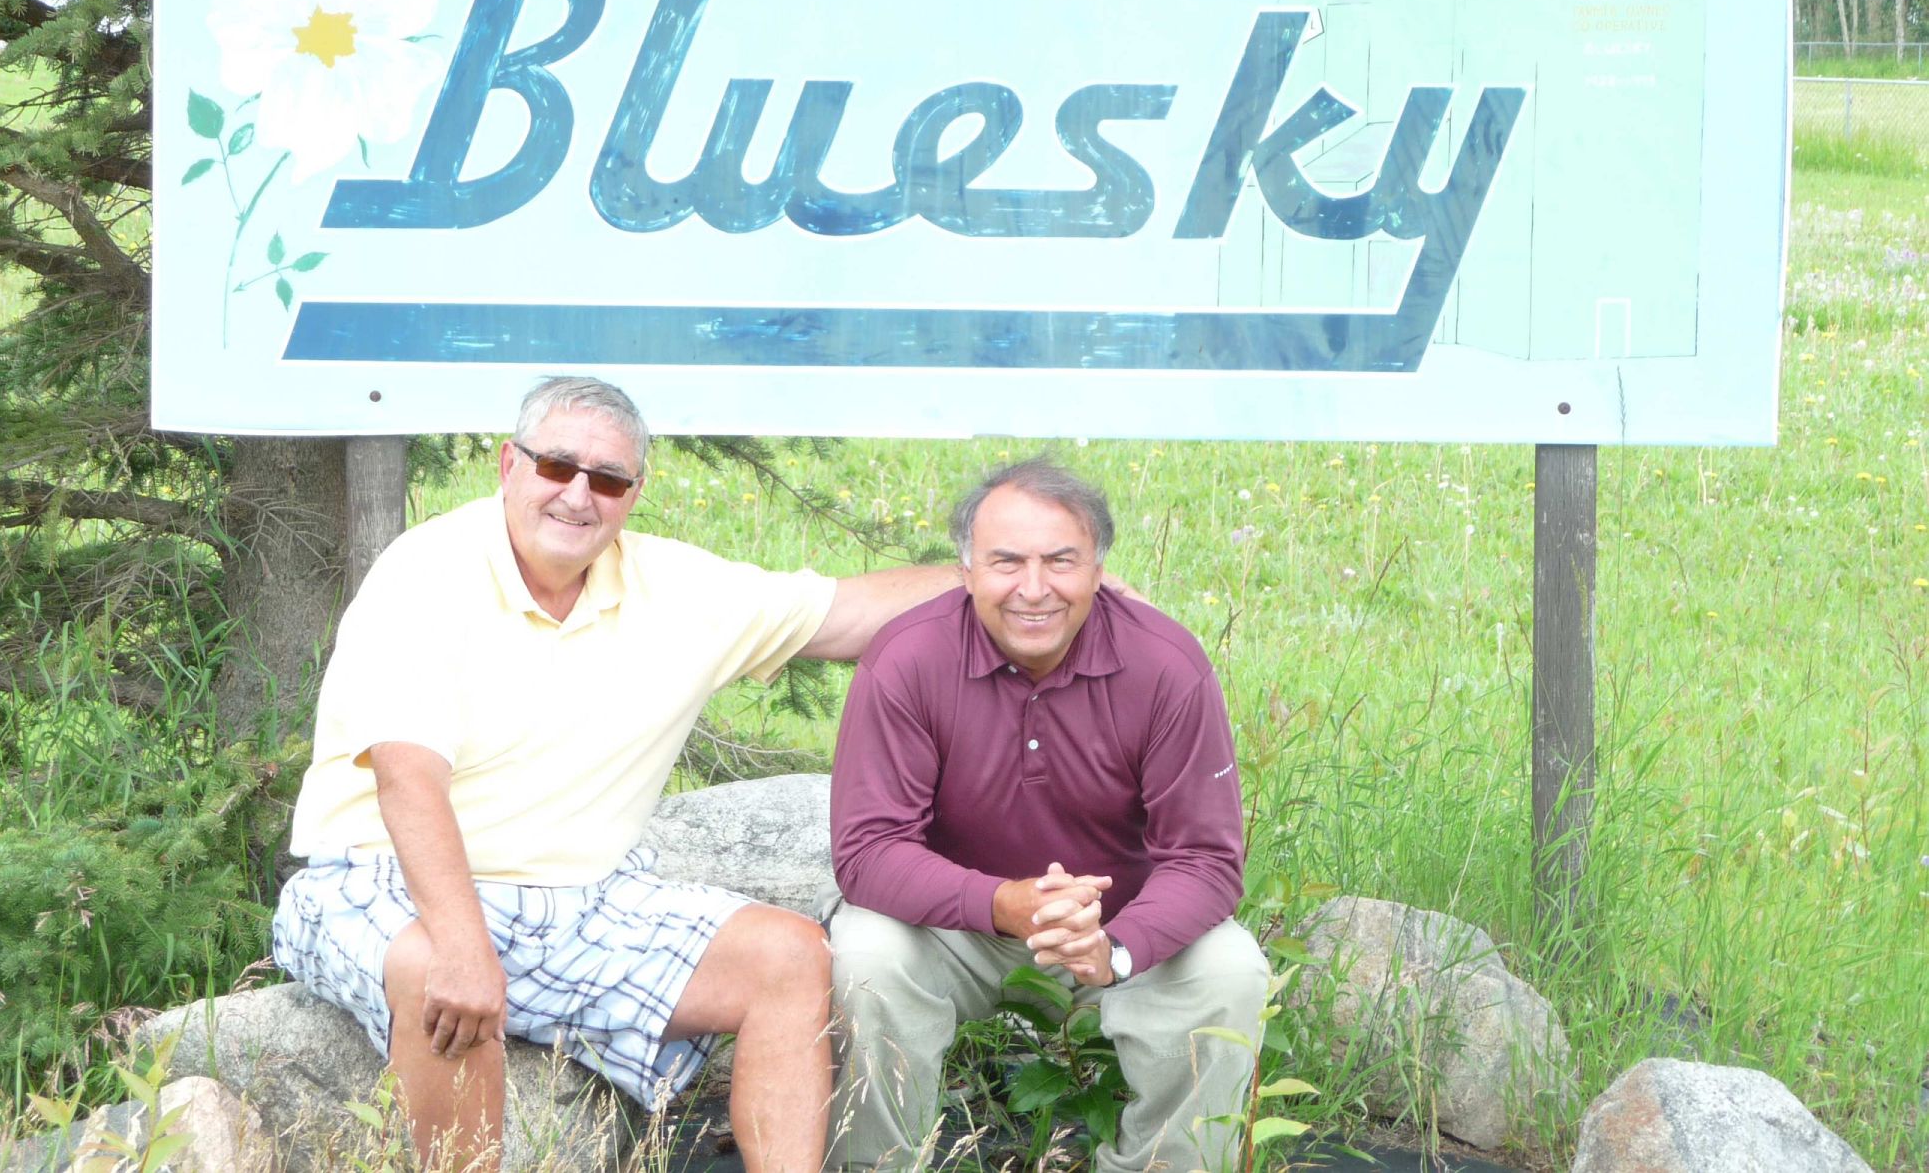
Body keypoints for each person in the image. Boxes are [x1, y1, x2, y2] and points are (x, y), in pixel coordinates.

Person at [273, 375, 958, 1173]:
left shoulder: (676, 588)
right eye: (556, 466)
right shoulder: (426, 573)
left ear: (635, 493)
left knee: (790, 955)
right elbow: (407, 782)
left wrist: (1024, 585)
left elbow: (852, 612)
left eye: (606, 479)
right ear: (508, 464)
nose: (577, 495)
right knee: (436, 973)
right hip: (383, 878)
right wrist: (464, 950)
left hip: (583, 900)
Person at [826, 458, 1270, 1173]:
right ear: (966, 571)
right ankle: (876, 1166)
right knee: (866, 954)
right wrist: (1004, 903)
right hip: (958, 927)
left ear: (1098, 569)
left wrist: (1115, 948)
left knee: (1230, 970)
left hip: (1116, 929)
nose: (1034, 589)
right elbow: (869, 851)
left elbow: (1208, 860)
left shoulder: (1166, 665)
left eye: (1060, 561)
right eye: (1007, 562)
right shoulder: (906, 658)